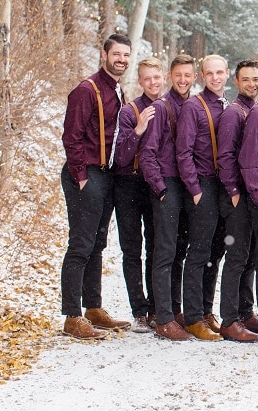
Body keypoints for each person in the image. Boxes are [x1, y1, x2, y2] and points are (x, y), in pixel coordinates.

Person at [60, 33, 132, 339]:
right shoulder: (86, 90)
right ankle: (72, 316)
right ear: (104, 55)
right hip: (85, 174)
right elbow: (71, 137)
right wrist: (81, 176)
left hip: (106, 175)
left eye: (126, 55)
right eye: (116, 54)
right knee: (80, 245)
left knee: (97, 244)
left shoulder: (117, 90)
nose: (121, 60)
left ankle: (92, 307)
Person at [140, 54, 196, 340]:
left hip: (187, 186)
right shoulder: (161, 108)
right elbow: (147, 154)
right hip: (167, 185)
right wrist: (160, 189)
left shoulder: (194, 105)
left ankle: (175, 310)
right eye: (178, 75)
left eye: (188, 75)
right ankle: (162, 318)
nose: (183, 80)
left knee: (179, 252)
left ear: (193, 77)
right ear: (170, 77)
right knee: (164, 252)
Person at [176, 54, 230, 341]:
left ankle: (207, 311)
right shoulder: (192, 107)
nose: (215, 78)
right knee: (197, 253)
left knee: (215, 253)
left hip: (222, 186)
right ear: (201, 76)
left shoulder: (227, 105)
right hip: (202, 187)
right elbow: (183, 153)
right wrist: (195, 190)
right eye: (210, 73)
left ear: (227, 74)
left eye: (220, 72)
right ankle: (194, 317)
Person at [215, 59, 258, 343]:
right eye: (246, 79)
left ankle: (246, 311)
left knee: (248, 257)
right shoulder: (234, 113)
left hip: (248, 196)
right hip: (234, 196)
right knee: (236, 257)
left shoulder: (254, 110)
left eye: (255, 79)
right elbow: (225, 157)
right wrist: (234, 191)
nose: (252, 84)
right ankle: (228, 319)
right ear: (236, 82)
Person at [113, 57, 164, 333]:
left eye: (156, 77)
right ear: (140, 81)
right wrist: (138, 130)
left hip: (154, 185)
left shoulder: (167, 107)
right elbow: (120, 156)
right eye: (147, 78)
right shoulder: (130, 111)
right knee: (131, 248)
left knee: (157, 247)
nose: (152, 83)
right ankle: (139, 311)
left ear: (163, 77)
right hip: (129, 184)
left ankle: (157, 308)